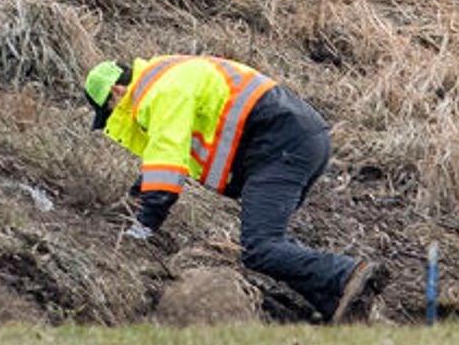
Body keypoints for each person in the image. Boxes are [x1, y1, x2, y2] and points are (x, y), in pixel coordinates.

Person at [82, 53, 384, 322]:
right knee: (268, 242)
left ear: (116, 92)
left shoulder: (160, 93)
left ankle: (347, 273)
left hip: (280, 145)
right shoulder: (165, 77)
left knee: (260, 248)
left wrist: (144, 226)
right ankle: (336, 303)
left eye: (109, 112)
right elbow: (169, 153)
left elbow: (166, 166)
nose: (114, 120)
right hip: (294, 140)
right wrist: (135, 199)